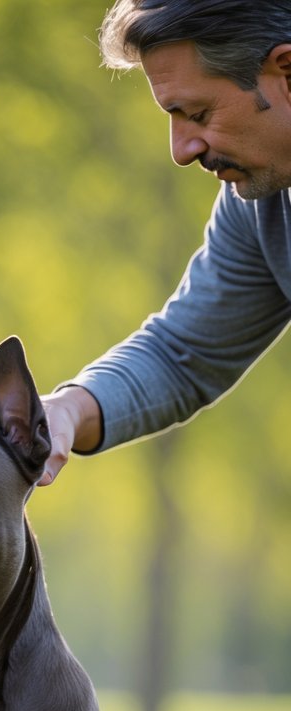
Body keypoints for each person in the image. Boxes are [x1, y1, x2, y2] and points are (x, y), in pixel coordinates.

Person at [40, 0, 291, 485]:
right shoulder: (262, 203)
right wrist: (64, 411)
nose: (182, 150)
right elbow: (183, 354)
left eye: (197, 113)